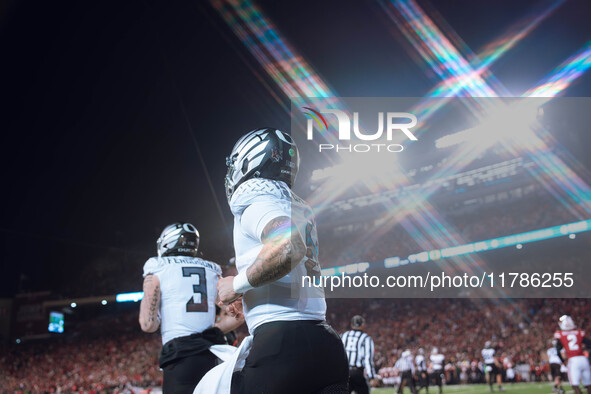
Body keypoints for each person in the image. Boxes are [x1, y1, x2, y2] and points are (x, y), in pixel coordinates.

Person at [217, 128, 349, 393]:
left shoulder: (257, 200)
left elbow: (287, 247)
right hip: (325, 344)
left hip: (282, 347)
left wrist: (237, 285)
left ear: (248, 160)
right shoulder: (293, 203)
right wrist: (252, 295)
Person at [139, 222, 243, 393]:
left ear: (168, 242)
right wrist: (214, 332)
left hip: (179, 358)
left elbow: (148, 325)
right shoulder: (212, 269)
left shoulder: (157, 266)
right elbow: (239, 314)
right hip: (210, 355)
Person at [554, 315, 591, 394]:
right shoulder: (579, 332)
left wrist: (563, 361)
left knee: (575, 385)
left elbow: (557, 350)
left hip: (573, 360)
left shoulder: (560, 334)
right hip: (583, 359)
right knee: (589, 385)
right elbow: (589, 345)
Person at [341, 315, 377, 394]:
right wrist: (372, 376)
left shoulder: (343, 336)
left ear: (351, 325)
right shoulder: (366, 338)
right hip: (357, 372)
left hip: (344, 372)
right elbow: (367, 359)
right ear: (363, 325)